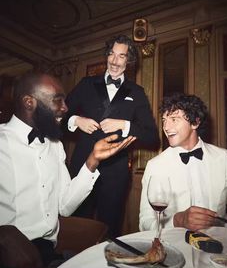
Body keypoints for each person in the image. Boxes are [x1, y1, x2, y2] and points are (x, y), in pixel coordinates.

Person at [0, 72, 135, 268]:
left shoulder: (55, 145)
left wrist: (92, 160)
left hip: (49, 253)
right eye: (57, 100)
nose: (65, 108)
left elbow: (65, 206)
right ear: (29, 102)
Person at [64, 34, 159, 236]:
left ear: (129, 60)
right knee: (76, 225)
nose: (115, 61)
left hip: (116, 172)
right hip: (82, 166)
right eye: (111, 54)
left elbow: (152, 136)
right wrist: (75, 120)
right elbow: (58, 119)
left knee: (109, 229)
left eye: (121, 56)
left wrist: (124, 125)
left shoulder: (137, 92)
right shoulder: (86, 83)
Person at [139, 92, 227, 232]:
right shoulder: (155, 166)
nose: (166, 127)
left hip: (222, 244)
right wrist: (177, 221)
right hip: (176, 245)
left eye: (174, 119)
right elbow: (145, 223)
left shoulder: (225, 158)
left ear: (195, 122)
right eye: (164, 120)